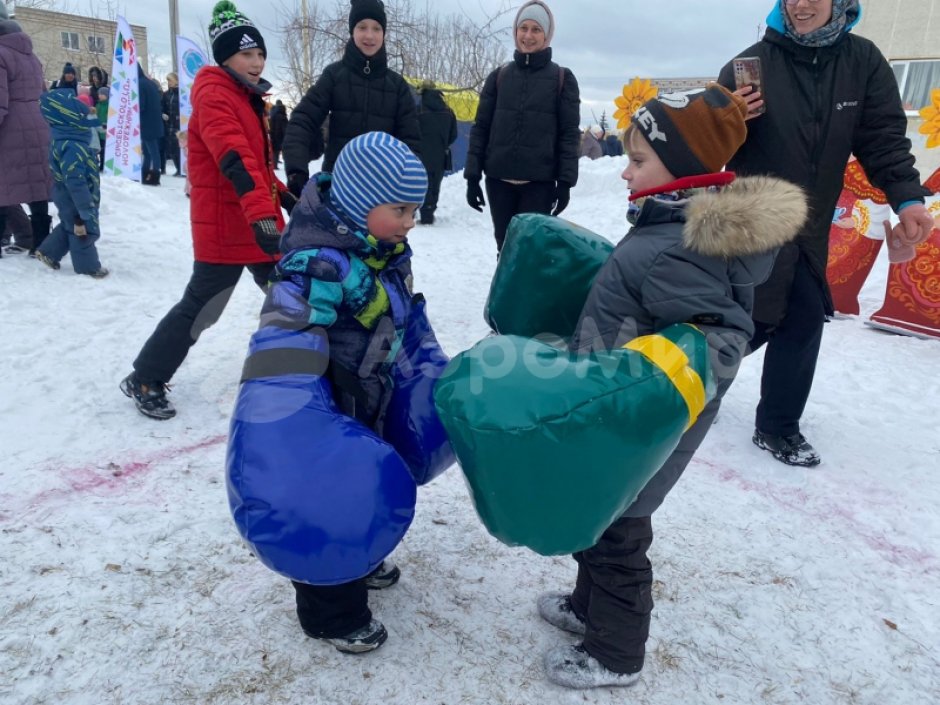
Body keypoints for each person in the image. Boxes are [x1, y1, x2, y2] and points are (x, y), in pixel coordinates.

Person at [543, 85, 807, 689]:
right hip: (615, 410)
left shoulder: (675, 247)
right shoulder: (667, 227)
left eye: (638, 160)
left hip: (638, 424)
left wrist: (633, 383)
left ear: (683, 168)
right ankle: (586, 608)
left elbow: (720, 341)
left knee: (619, 533)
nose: (624, 172)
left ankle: (615, 654)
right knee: (599, 516)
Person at [717, 0, 934, 467]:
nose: (801, 4)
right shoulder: (748, 65)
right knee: (744, 322)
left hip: (812, 226)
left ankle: (777, 426)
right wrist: (726, 120)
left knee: (803, 316)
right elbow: (709, 148)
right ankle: (688, 390)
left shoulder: (863, 61)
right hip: (754, 221)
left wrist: (907, 198)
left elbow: (883, 139)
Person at [258, 131, 428, 652]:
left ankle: (362, 554)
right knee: (326, 501)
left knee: (366, 483)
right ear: (359, 203)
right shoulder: (318, 266)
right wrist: (306, 408)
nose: (410, 221)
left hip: (369, 393)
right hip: (325, 407)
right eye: (400, 209)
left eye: (414, 210)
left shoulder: (381, 252)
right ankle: (332, 612)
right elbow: (286, 334)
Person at [120, 0, 289, 420]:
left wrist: (286, 197)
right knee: (203, 307)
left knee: (292, 293)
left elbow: (258, 166)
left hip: (254, 220)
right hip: (227, 225)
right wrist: (263, 215)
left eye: (260, 53)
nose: (257, 62)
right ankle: (146, 376)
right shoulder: (215, 95)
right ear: (225, 57)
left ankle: (303, 365)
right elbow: (235, 160)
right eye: (247, 54)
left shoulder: (244, 97)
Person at [463, 0, 580, 252]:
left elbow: (569, 134)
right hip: (498, 181)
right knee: (504, 248)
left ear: (547, 35)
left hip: (539, 184)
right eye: (523, 28)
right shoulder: (499, 77)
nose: (528, 36)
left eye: (536, 29)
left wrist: (565, 183)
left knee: (531, 251)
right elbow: (481, 127)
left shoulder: (562, 79)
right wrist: (472, 176)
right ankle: (504, 280)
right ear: (515, 31)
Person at [281, 0, 421, 198]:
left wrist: (406, 187)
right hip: (336, 188)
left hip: (382, 193)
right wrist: (297, 171)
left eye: (376, 28)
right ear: (352, 30)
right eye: (362, 27)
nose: (369, 35)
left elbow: (411, 143)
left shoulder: (397, 86)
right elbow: (302, 120)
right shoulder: (334, 76)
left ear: (384, 33)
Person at [33, 88, 108, 278]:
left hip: (67, 193)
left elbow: (93, 121)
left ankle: (49, 252)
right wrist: (84, 204)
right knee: (84, 230)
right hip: (74, 194)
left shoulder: (68, 138)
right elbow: (74, 178)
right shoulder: (72, 145)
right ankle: (88, 267)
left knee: (70, 224)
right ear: (70, 119)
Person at [0, 3, 52, 259]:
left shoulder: (0, 54)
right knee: (36, 186)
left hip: (10, 126)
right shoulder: (32, 56)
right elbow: (43, 93)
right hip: (38, 124)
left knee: (4, 185)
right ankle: (40, 242)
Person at [416, 83, 457, 225]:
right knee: (435, 183)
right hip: (440, 155)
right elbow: (453, 135)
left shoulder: (418, 111)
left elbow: (411, 131)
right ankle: (429, 212)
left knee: (422, 183)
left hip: (421, 154)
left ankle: (422, 212)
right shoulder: (449, 112)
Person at [138, 64, 164, 185]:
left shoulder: (140, 84)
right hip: (154, 121)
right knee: (150, 151)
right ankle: (147, 174)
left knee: (151, 152)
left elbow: (141, 105)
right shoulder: (150, 83)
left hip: (146, 122)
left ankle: (153, 176)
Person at [162, 72, 181, 176]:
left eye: (170, 80)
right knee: (172, 147)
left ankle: (181, 168)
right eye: (168, 81)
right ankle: (178, 168)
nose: (169, 83)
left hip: (179, 124)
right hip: (169, 124)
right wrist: (163, 114)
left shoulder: (181, 93)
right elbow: (162, 107)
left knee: (179, 147)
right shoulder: (166, 94)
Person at [268, 98, 287, 167]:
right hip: (281, 135)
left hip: (273, 134)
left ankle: (274, 164)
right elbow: (284, 127)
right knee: (284, 149)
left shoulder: (272, 114)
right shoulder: (282, 115)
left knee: (275, 150)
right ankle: (287, 163)